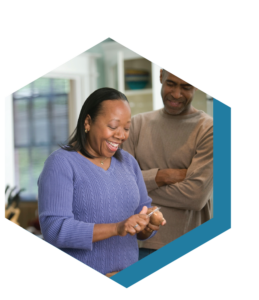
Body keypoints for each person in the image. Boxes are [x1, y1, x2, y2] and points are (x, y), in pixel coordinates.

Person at [37, 87, 166, 276]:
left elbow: (141, 216)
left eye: (126, 128)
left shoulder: (128, 162)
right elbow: (54, 229)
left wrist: (149, 224)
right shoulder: (61, 163)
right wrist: (117, 227)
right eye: (113, 127)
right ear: (88, 122)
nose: (121, 135)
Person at [122, 69, 213, 259]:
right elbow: (121, 185)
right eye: (171, 84)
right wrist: (163, 176)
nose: (177, 94)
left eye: (186, 87)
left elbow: (195, 197)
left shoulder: (209, 130)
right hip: (137, 243)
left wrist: (139, 181)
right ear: (160, 76)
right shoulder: (136, 125)